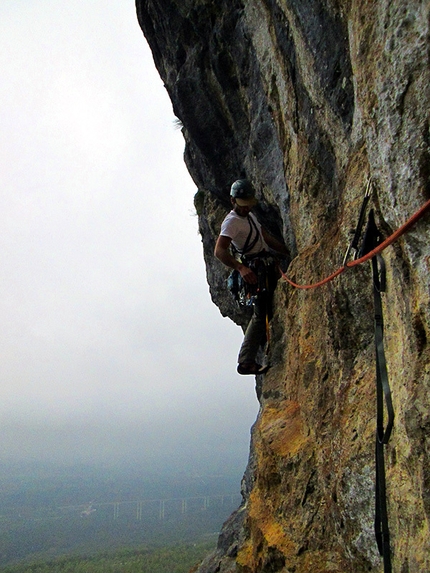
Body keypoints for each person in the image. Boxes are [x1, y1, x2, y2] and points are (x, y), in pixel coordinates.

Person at [214, 179, 288, 375]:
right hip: (253, 269)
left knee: (267, 309)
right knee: (260, 313)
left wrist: (285, 250)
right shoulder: (231, 223)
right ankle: (246, 361)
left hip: (264, 263)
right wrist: (240, 268)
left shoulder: (250, 216)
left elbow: (264, 237)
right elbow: (219, 251)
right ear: (233, 201)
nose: (246, 208)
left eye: (248, 204)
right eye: (243, 205)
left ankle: (258, 350)